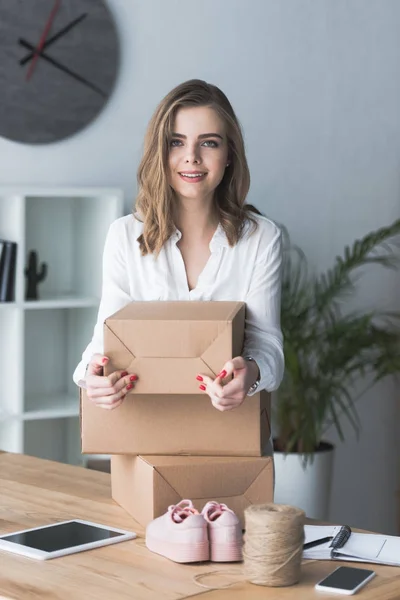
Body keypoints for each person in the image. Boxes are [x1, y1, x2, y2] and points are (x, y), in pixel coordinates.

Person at [73, 79, 284, 415]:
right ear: (161, 151)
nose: (192, 158)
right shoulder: (124, 237)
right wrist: (92, 376)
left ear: (229, 154)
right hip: (146, 430)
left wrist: (252, 374)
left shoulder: (261, 239)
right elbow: (106, 339)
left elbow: (267, 342)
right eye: (176, 143)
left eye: (209, 143)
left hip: (232, 430)